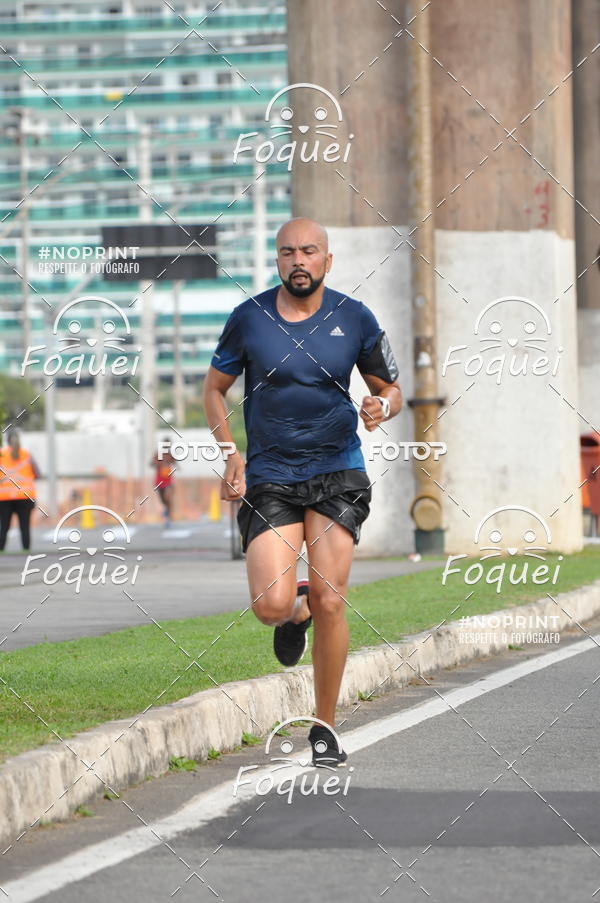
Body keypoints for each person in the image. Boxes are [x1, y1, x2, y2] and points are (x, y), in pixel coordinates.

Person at [203, 218, 402, 767]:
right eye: (288, 251)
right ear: (277, 260)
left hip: (337, 468)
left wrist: (380, 406)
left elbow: (390, 387)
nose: (299, 260)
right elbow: (215, 390)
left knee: (331, 599)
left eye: (309, 251)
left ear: (327, 261)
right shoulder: (250, 318)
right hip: (270, 473)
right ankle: (296, 617)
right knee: (270, 605)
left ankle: (325, 727)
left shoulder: (354, 317)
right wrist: (229, 453)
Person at [0, 429, 41, 551]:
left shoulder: (1, 455)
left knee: (4, 526)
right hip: (25, 497)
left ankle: (1, 550)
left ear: (6, 441)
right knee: (24, 526)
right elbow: (37, 474)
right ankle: (26, 551)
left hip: (4, 498)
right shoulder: (27, 455)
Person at [151, 437, 176, 526]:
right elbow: (151, 463)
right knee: (163, 499)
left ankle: (168, 516)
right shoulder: (158, 454)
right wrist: (159, 464)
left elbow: (175, 462)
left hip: (168, 480)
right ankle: (166, 510)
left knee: (168, 496)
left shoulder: (170, 454)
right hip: (159, 480)